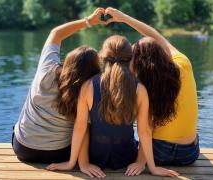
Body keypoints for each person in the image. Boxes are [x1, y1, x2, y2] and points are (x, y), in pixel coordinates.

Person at [47, 34, 179, 178]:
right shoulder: (140, 89)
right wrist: (148, 166)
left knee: (87, 126)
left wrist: (74, 163)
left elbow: (80, 127)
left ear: (103, 57)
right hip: (126, 158)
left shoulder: (88, 86)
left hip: (95, 157)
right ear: (130, 57)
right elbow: (145, 131)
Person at [105, 8, 199, 166]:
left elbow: (146, 129)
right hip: (188, 155)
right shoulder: (183, 64)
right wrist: (124, 18)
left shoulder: (143, 86)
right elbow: (156, 35)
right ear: (161, 53)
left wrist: (141, 162)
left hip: (158, 154)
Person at [12, 8, 106, 163]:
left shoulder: (46, 69)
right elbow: (84, 129)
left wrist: (88, 20)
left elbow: (56, 33)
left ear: (68, 61)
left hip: (23, 149)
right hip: (59, 154)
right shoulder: (88, 90)